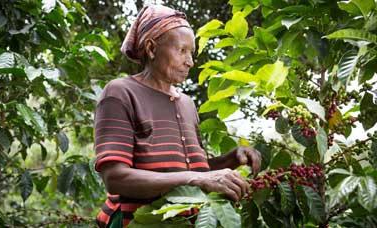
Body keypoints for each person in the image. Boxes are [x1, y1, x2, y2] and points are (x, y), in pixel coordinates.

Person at [94, 5, 261, 228]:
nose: (190, 62)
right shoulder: (120, 93)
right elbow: (115, 177)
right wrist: (199, 178)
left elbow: (190, 173)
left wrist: (230, 159)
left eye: (191, 53)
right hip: (136, 222)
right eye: (182, 51)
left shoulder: (187, 104)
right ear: (152, 49)